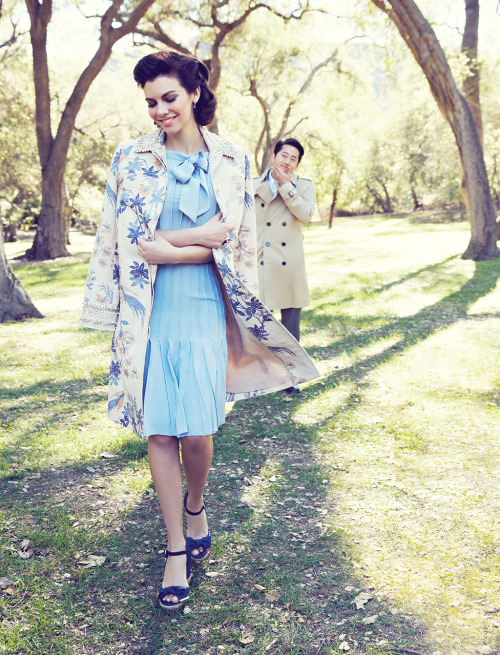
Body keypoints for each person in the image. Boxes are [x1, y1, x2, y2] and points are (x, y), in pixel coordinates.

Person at [80, 51, 319, 612]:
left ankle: (196, 505)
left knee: (197, 431)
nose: (159, 110)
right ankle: (174, 551)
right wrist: (191, 240)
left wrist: (171, 247)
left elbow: (233, 243)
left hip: (209, 307)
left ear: (192, 94)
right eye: (150, 102)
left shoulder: (232, 159)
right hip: (150, 309)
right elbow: (134, 242)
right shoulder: (130, 159)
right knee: (160, 431)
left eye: (168, 98)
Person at [253, 138, 316, 392]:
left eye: (294, 159)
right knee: (259, 325)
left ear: (298, 163)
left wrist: (287, 186)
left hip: (290, 263)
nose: (288, 161)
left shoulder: (304, 186)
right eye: (284, 155)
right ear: (274, 155)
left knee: (290, 326)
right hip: (261, 261)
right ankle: (263, 376)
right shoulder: (254, 185)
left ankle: (292, 378)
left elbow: (307, 214)